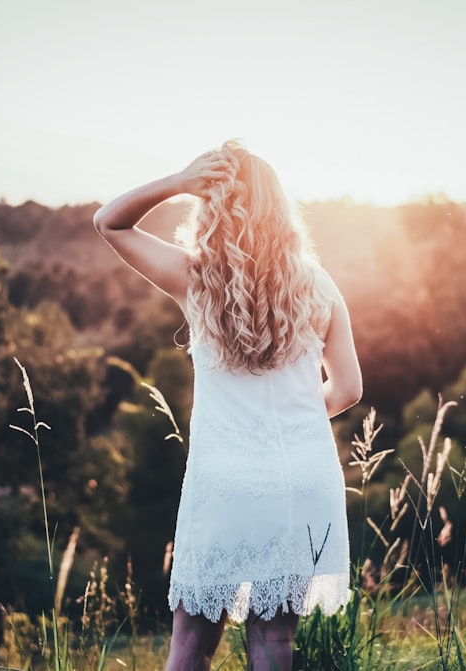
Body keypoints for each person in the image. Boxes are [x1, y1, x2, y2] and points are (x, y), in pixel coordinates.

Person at [93, 140, 362, 671]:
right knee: (273, 643)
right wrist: (291, 426)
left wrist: (179, 180)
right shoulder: (319, 285)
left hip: (226, 483)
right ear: (279, 208)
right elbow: (349, 388)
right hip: (303, 480)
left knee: (191, 647)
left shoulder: (197, 279)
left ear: (213, 206)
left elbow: (109, 222)